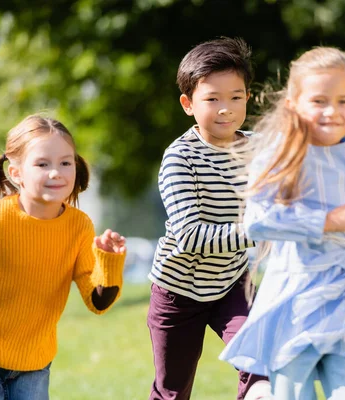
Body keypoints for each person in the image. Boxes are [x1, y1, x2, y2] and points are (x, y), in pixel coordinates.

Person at [0, 114, 127, 400]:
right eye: (43, 164)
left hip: (34, 363)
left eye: (65, 163)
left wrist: (108, 261)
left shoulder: (79, 226)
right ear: (16, 173)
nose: (56, 173)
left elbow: (97, 302)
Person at [220, 46, 345, 400]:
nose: (332, 111)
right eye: (319, 100)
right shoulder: (281, 153)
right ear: (293, 102)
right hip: (296, 299)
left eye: (343, 101)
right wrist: (328, 220)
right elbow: (258, 221)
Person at [147, 37, 266, 400]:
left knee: (262, 355)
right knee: (172, 390)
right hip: (177, 291)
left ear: (248, 97)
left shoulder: (260, 149)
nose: (225, 109)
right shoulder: (180, 159)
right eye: (212, 99)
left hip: (232, 282)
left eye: (235, 96)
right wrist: (262, 229)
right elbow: (191, 235)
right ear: (188, 104)